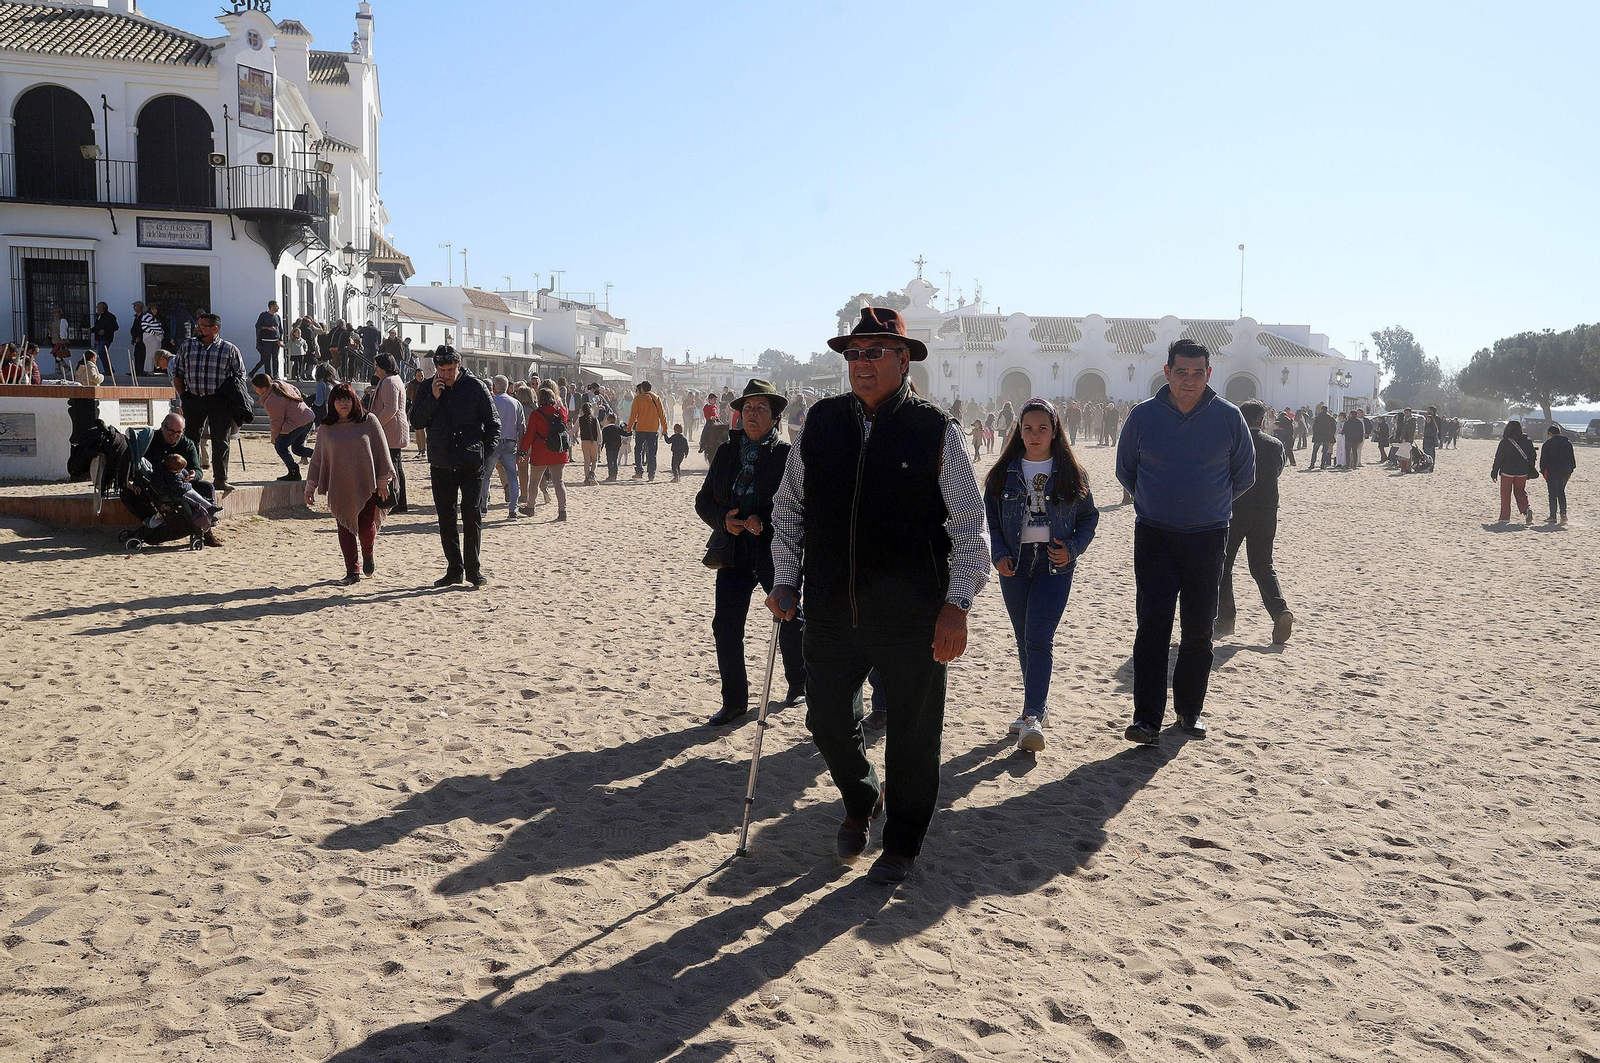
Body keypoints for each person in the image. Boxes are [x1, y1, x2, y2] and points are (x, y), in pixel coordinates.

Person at [767, 307, 989, 886]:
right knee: (826, 720)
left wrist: (956, 605)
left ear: (903, 357)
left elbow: (970, 526)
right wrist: (786, 577)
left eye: (873, 352)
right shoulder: (819, 422)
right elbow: (789, 506)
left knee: (915, 733)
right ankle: (863, 795)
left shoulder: (936, 428)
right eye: (853, 353)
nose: (860, 364)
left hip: (914, 614)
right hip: (831, 607)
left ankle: (902, 843)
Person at [1115, 339, 1255, 745]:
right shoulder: (1143, 416)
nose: (1189, 380)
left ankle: (1189, 712)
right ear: (1167, 372)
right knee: (1152, 627)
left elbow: (1244, 475)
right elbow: (1127, 471)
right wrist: (1157, 502)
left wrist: (1210, 506)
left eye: (1197, 373)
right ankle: (1146, 719)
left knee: (1198, 631)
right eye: (1181, 372)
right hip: (1154, 536)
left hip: (1208, 538)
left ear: (1209, 375)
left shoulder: (1229, 418)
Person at [983, 398, 1098, 753]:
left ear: (1055, 431)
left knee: (1039, 637)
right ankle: (1035, 707)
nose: (1035, 435)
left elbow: (1088, 518)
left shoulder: (1071, 472)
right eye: (1028, 428)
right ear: (1018, 430)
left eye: (1042, 428)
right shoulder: (1004, 472)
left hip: (1054, 564)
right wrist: (998, 554)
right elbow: (989, 519)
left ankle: (1033, 715)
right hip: (1014, 565)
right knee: (1023, 638)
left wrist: (1073, 549)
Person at [698, 380, 807, 726]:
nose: (752, 415)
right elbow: (703, 501)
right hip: (732, 552)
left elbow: (800, 507)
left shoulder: (786, 456)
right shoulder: (727, 453)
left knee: (789, 618)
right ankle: (734, 701)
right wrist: (723, 520)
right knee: (726, 626)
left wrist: (767, 522)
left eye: (761, 409)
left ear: (776, 418)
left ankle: (799, 683)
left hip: (774, 553)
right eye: (747, 409)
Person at [409, 346, 498, 587]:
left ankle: (473, 570)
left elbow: (493, 424)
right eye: (441, 370)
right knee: (446, 519)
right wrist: (433, 399)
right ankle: (454, 569)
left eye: (450, 369)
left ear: (458, 365)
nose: (445, 374)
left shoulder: (475, 387)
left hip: (470, 463)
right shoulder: (428, 387)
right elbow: (415, 420)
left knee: (472, 517)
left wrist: (483, 454)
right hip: (441, 463)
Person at [1215, 400, 1294, 644]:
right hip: (1267, 510)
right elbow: (1278, 470)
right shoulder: (1275, 444)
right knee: (1262, 566)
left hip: (1235, 509)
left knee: (1224, 564)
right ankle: (1279, 611)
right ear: (1262, 421)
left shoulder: (1231, 442)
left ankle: (1226, 617)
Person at [304, 383, 394, 585]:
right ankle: (352, 571)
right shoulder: (326, 428)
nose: (342, 403)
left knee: (364, 527)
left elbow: (382, 452)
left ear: (354, 400)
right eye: (338, 399)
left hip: (368, 484)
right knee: (344, 527)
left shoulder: (369, 421)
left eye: (346, 398)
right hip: (339, 487)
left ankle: (368, 555)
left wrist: (383, 482)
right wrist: (310, 486)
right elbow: (317, 458)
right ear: (331, 403)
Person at [169, 313, 245, 492]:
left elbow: (240, 376)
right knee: (190, 439)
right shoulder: (187, 346)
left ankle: (220, 478)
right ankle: (189, 476)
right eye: (198, 324)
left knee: (221, 440)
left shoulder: (229, 349)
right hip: (193, 399)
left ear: (214, 329)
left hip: (220, 401)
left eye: (203, 325)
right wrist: (184, 396)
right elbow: (177, 372)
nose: (198, 327)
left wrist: (229, 397)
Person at [253, 373, 315, 481]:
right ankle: (320, 457)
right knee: (297, 449)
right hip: (307, 416)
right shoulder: (279, 384)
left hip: (298, 421)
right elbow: (296, 390)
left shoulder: (271, 401)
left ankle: (293, 471)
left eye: (255, 388)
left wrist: (274, 437)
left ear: (263, 389)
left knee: (280, 445)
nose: (255, 391)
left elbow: (277, 423)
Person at [519, 386, 569, 520]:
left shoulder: (536, 414)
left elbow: (529, 435)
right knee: (559, 482)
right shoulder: (561, 411)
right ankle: (562, 511)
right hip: (558, 451)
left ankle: (530, 506)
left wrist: (523, 451)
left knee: (534, 481)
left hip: (541, 452)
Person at [369, 354, 412, 512]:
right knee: (396, 466)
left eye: (377, 366)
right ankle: (400, 502)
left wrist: (376, 425)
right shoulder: (394, 380)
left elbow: (391, 408)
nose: (375, 369)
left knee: (391, 467)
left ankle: (394, 501)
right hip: (393, 429)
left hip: (390, 430)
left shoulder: (389, 381)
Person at [1490, 420, 1539, 525]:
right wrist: (1529, 468)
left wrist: (1494, 472)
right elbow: (1533, 456)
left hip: (1507, 471)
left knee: (1505, 494)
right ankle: (1526, 509)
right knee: (1520, 491)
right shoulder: (1527, 441)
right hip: (1522, 471)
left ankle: (1505, 517)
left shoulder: (1505, 442)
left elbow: (1498, 458)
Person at [626, 380, 670, 480]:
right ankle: (651, 474)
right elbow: (662, 415)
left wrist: (629, 427)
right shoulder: (657, 398)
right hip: (653, 429)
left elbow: (633, 415)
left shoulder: (638, 399)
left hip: (640, 428)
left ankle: (639, 472)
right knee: (652, 452)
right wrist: (665, 428)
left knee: (638, 450)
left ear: (642, 388)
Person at [1539, 424, 1576, 525]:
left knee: (1552, 494)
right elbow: (1572, 460)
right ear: (1559, 432)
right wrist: (1570, 471)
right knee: (1561, 492)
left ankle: (1552, 516)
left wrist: (1543, 471)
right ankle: (1563, 515)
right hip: (1565, 472)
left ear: (1550, 433)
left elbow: (1543, 461)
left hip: (1552, 472)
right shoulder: (1568, 443)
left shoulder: (1547, 444)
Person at [132, 301, 163, 377]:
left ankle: (149, 370)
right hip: (151, 337)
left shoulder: (151, 316)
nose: (155, 310)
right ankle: (148, 371)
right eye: (153, 309)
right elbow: (144, 326)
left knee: (153, 354)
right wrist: (153, 333)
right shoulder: (147, 316)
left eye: (155, 309)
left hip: (155, 337)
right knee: (151, 354)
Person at [252, 300, 282, 378]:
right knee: (267, 359)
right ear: (271, 306)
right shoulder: (263, 315)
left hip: (276, 341)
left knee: (275, 358)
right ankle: (268, 375)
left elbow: (281, 329)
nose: (278, 307)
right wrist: (268, 328)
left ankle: (276, 374)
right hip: (266, 341)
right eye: (276, 306)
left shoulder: (277, 317)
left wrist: (280, 339)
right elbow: (258, 326)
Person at [577, 402, 601, 485]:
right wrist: (600, 443)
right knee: (594, 460)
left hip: (584, 442)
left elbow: (573, 430)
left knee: (586, 461)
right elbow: (599, 433)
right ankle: (592, 475)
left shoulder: (580, 419)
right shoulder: (594, 419)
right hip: (593, 442)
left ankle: (586, 478)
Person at [601, 413, 629, 482]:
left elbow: (603, 440)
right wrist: (630, 431)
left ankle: (611, 476)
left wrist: (600, 448)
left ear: (608, 420)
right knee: (615, 460)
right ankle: (615, 475)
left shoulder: (605, 429)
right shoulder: (617, 428)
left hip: (609, 447)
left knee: (610, 461)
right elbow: (625, 434)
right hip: (616, 447)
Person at [1310, 403, 1336, 469]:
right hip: (1327, 436)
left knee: (1315, 451)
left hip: (1318, 436)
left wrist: (1315, 434)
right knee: (1325, 452)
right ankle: (1322, 465)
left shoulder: (1318, 417)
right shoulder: (1330, 418)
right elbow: (1334, 428)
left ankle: (1312, 464)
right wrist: (1331, 434)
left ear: (1321, 410)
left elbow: (1314, 427)